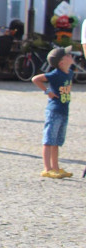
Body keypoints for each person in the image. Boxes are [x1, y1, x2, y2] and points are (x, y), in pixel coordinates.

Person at [32, 47, 74, 178]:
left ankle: (56, 167)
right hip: (54, 110)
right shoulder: (55, 74)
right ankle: (47, 168)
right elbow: (36, 79)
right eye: (67, 55)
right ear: (61, 62)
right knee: (49, 140)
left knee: (57, 142)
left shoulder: (70, 73)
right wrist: (47, 91)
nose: (71, 55)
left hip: (64, 110)